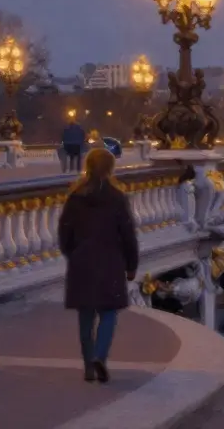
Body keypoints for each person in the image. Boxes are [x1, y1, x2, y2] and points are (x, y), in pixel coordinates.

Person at [58, 148, 139, 383]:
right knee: (108, 313)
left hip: (81, 262)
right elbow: (127, 235)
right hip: (110, 261)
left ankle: (88, 368)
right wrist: (131, 264)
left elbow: (64, 232)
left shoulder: (75, 197)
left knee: (85, 316)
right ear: (111, 169)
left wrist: (72, 253)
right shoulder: (117, 197)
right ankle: (100, 357)